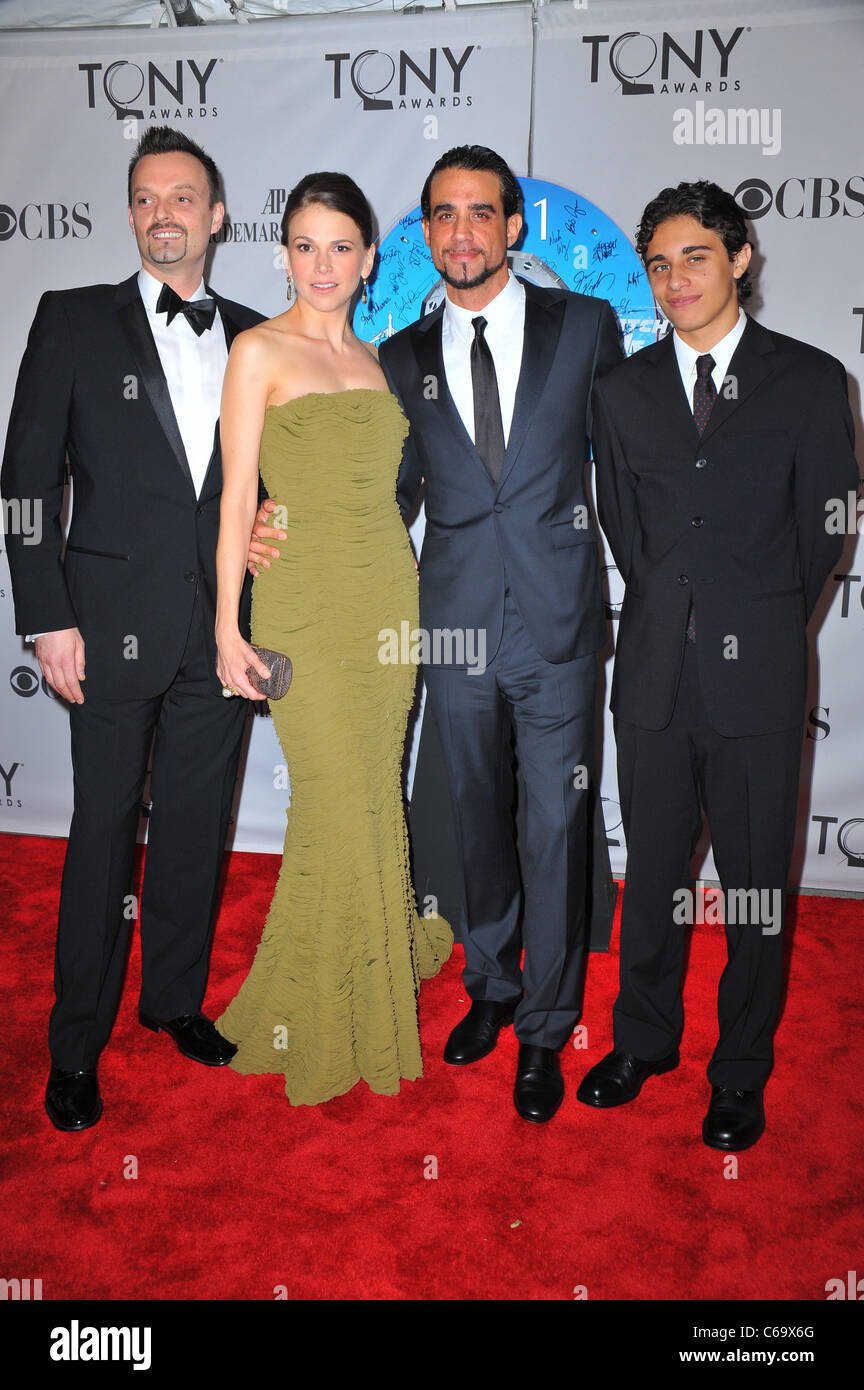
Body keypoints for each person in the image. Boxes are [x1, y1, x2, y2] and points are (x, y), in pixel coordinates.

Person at [251, 145, 623, 1123]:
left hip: (558, 623)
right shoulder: (398, 358)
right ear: (423, 235)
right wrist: (273, 520)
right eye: (442, 216)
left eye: (480, 213)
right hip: (446, 623)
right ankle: (492, 984)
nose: (461, 232)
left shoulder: (584, 329)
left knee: (553, 823)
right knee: (473, 811)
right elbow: (374, 491)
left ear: (512, 227)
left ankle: (545, 1028)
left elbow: (628, 472)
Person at [579, 180, 859, 1149]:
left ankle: (739, 1069)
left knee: (753, 889)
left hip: (760, 680)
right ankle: (644, 1041)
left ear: (739, 259)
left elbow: (828, 527)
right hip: (652, 676)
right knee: (649, 873)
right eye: (658, 263)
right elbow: (624, 522)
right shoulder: (620, 391)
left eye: (695, 256)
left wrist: (758, 620)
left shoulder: (812, 381)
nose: (675, 279)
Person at [0, 126, 265, 1131]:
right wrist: (46, 616)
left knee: (198, 824)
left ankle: (174, 1002)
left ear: (217, 214)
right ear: (130, 214)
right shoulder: (72, 320)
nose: (166, 214)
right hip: (103, 626)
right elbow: (26, 481)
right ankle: (75, 1047)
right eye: (148, 198)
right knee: (102, 832)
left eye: (184, 197)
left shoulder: (255, 332)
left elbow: (260, 487)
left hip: (222, 630)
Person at [214, 172, 451, 1107]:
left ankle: (368, 968)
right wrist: (227, 625)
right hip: (302, 604)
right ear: (283, 254)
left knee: (369, 791)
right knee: (332, 795)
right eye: (305, 245)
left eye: (341, 246)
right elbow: (237, 497)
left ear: (367, 259)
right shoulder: (256, 350)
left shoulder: (381, 364)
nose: (323, 264)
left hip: (387, 598)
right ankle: (328, 1008)